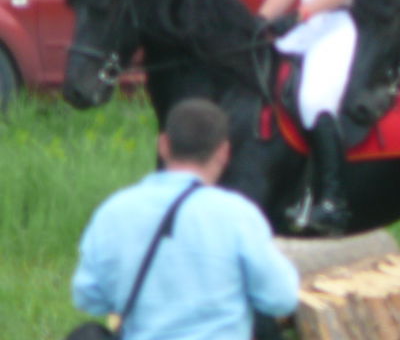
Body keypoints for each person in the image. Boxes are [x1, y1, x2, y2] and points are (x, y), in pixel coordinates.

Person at [72, 98, 299, 339]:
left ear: (163, 145)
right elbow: (281, 298)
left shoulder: (114, 212)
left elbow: (87, 296)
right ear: (223, 152)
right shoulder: (238, 215)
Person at [258, 0, 388, 233]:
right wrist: (259, 23)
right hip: (309, 22)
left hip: (345, 22)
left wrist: (302, 13)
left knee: (315, 98)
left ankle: (333, 201)